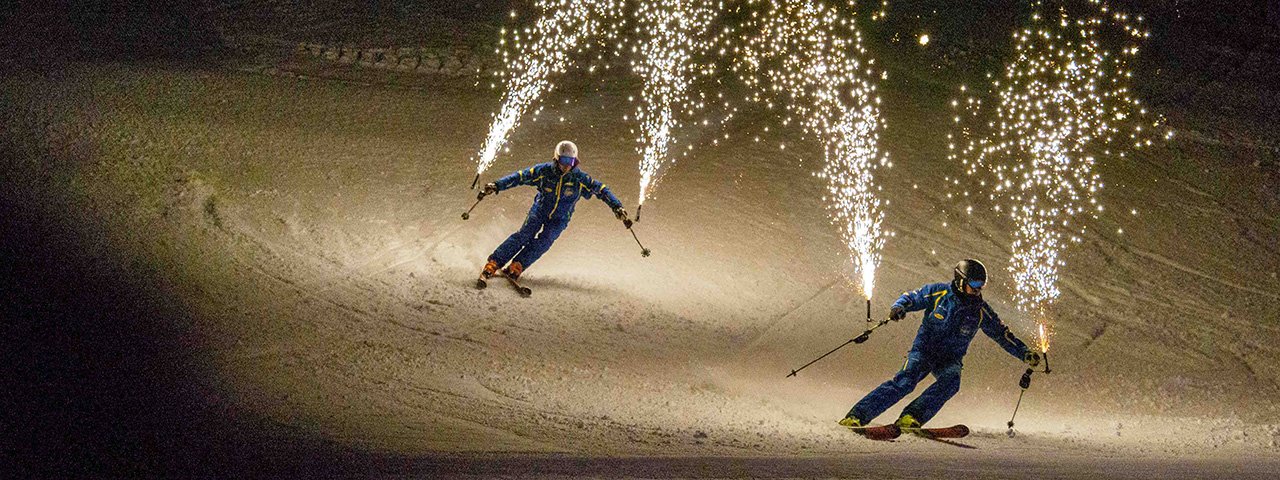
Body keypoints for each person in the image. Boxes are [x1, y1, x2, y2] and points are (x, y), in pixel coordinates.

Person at [839, 259, 1043, 429]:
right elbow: (913, 297)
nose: (978, 290)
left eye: (981, 286)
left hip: (950, 358)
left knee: (951, 382)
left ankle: (911, 417)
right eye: (974, 285)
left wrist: (1024, 353)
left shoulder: (980, 310)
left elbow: (1002, 335)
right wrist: (899, 307)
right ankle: (857, 415)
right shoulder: (939, 293)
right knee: (905, 382)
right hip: (924, 351)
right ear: (961, 281)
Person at [477, 140, 629, 281]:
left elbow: (602, 190)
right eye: (563, 161)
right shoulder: (544, 172)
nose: (567, 166)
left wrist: (617, 207)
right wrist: (497, 185)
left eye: (571, 162)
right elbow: (519, 177)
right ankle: (495, 262)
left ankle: (517, 265)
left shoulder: (579, 179)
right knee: (524, 235)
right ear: (557, 159)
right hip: (540, 210)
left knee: (545, 241)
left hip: (560, 218)